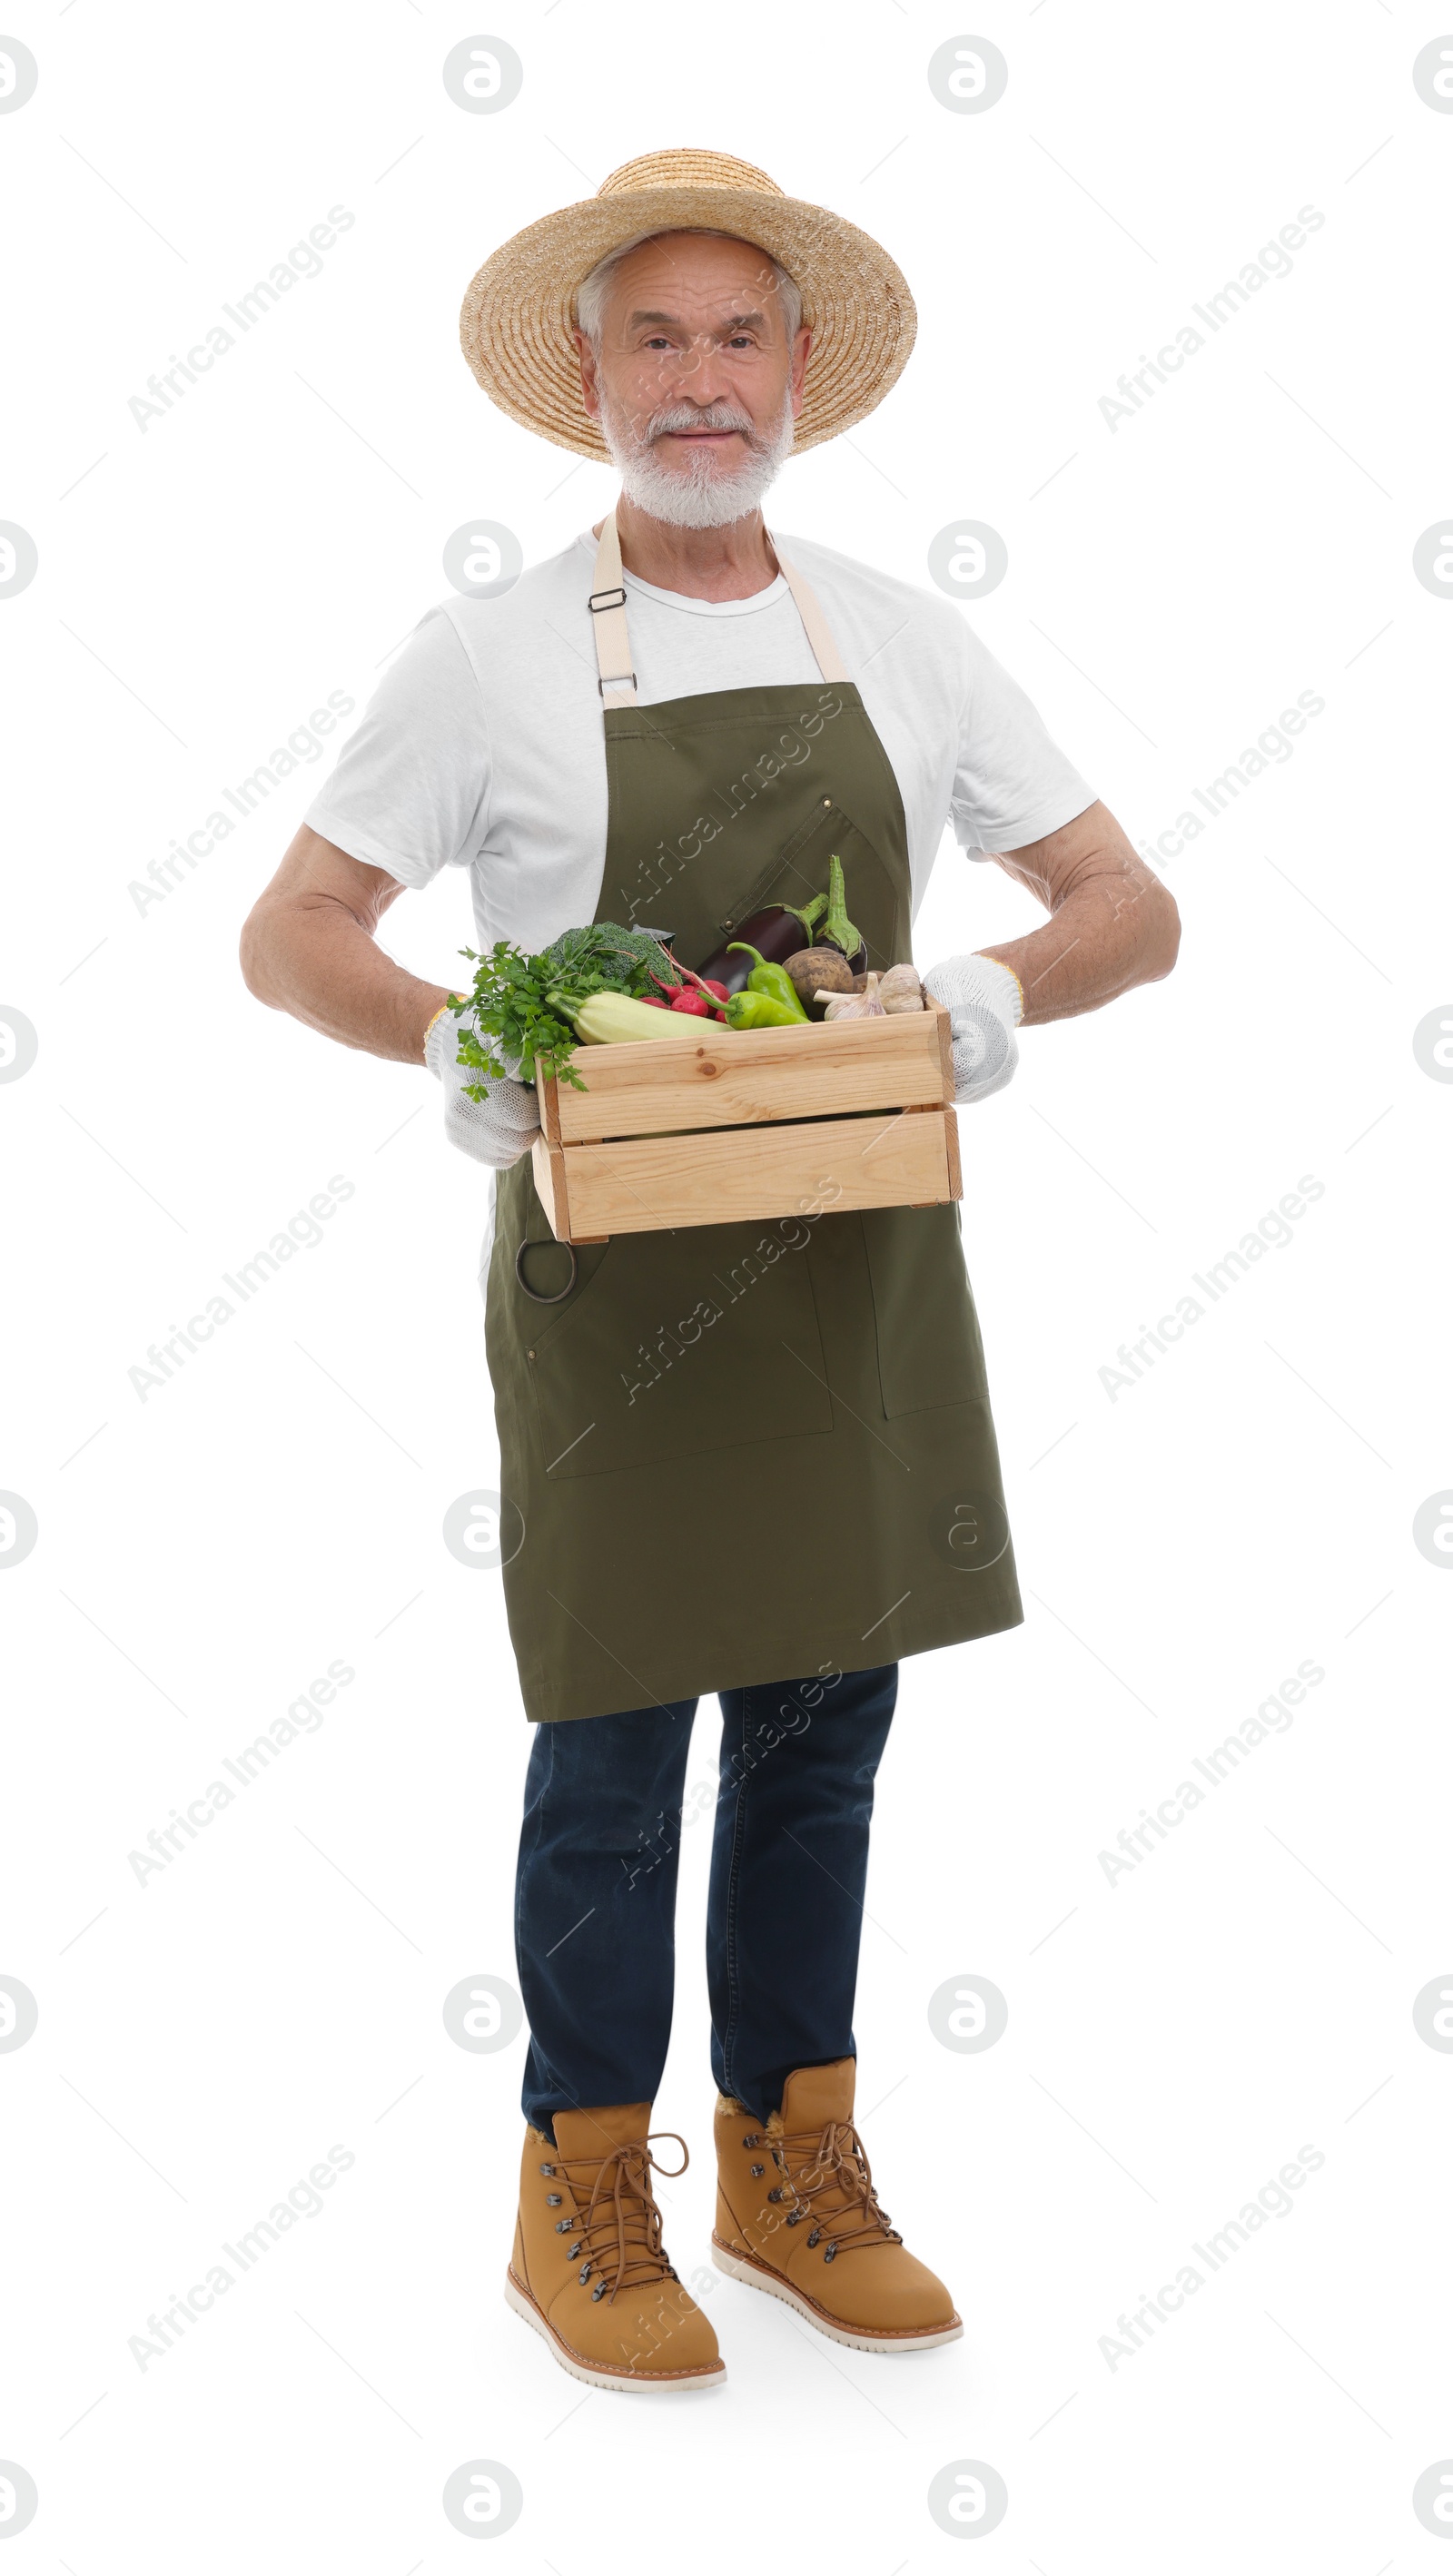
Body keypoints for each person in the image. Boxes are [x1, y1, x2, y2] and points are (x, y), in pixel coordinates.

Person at [241, 147, 1179, 2394]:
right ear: (586, 378)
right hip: (610, 1283)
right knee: (613, 1734)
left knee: (826, 1730)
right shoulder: (481, 655)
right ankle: (578, 2185)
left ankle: (790, 2155)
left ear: (797, 372)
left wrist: (982, 996)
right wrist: (464, 1030)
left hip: (852, 1274)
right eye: (649, 336)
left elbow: (1130, 904)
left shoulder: (901, 635)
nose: (696, 379)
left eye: (734, 334)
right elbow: (288, 936)